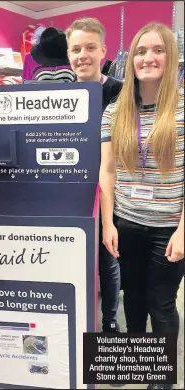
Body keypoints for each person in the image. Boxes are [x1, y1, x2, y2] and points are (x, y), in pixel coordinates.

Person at [100, 23, 184, 390]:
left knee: (161, 302)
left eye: (157, 50)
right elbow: (107, 171)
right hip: (126, 222)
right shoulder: (116, 112)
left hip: (169, 228)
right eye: (140, 51)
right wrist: (108, 224)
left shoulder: (181, 110)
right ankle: (137, 363)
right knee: (130, 296)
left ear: (171, 56)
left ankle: (161, 381)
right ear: (130, 59)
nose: (148, 58)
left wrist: (184, 230)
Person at [66, 18, 123, 332]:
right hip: (73, 193)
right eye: (76, 49)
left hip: (110, 194)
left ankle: (110, 323)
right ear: (68, 54)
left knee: (108, 260)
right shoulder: (61, 97)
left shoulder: (121, 93)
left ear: (103, 50)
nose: (82, 55)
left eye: (90, 47)